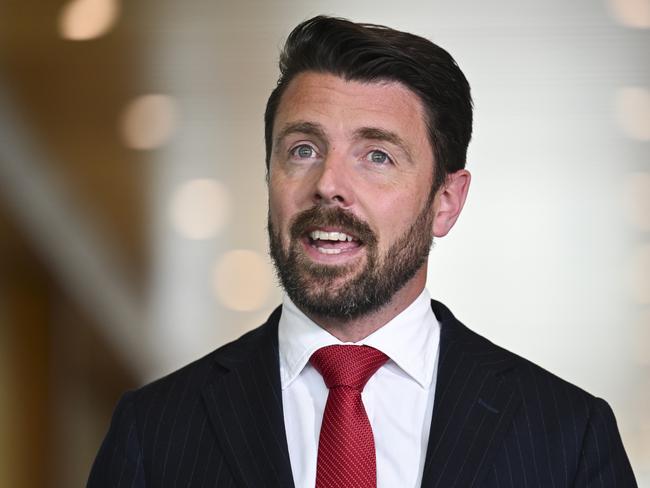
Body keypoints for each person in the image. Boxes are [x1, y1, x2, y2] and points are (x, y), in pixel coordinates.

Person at [88, 16, 637, 487]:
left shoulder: (567, 435)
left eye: (376, 156)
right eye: (303, 149)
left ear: (445, 201)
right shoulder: (154, 431)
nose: (328, 183)